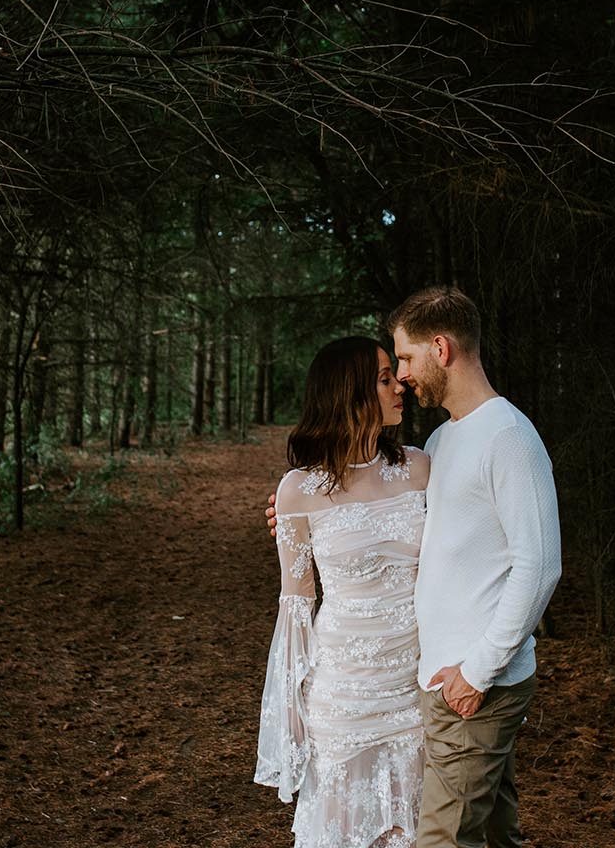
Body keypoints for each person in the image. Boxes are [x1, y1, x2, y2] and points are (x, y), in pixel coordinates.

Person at [268, 287, 561, 848]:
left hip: (448, 682)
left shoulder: (478, 447)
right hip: (376, 685)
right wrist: (296, 516)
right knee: (490, 832)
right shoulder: (443, 442)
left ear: (441, 349)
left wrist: (478, 671)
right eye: (387, 371)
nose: (401, 378)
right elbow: (307, 590)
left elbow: (539, 564)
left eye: (402, 360)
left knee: (438, 836)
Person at [255, 335, 432, 848]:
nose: (399, 384)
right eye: (382, 378)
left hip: (411, 692)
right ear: (348, 394)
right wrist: (291, 714)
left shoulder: (420, 470)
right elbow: (295, 606)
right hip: (342, 698)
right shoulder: (298, 491)